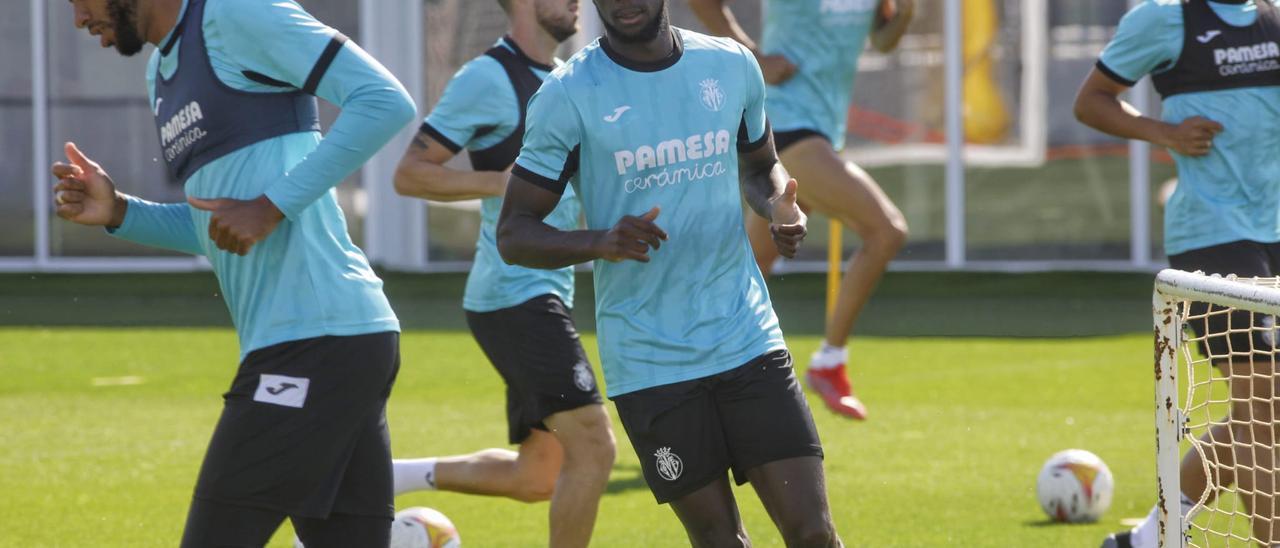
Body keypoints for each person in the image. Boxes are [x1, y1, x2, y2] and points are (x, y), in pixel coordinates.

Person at [54, 0, 416, 546]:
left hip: (316, 340)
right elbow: (221, 225)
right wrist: (121, 212)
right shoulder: (162, 71)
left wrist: (272, 204)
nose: (78, 20)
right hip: (329, 342)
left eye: (78, 1)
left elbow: (385, 101)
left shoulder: (237, 12)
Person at [496, 0, 841, 544]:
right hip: (650, 363)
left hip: (746, 337)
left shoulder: (730, 66)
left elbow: (759, 167)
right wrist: (600, 241)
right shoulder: (567, 96)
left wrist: (778, 205)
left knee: (814, 534)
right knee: (720, 541)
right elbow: (513, 233)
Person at [389, 1, 615, 546]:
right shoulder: (488, 77)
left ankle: (382, 475)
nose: (576, 3)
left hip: (542, 291)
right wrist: (502, 184)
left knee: (538, 475)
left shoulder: (565, 79)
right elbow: (410, 174)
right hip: (515, 294)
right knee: (594, 446)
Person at [1074, 0, 1280, 545]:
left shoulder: (1274, 18)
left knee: (1269, 406)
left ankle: (1149, 537)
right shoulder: (1164, 19)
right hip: (1211, 234)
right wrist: (1165, 134)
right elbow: (1091, 101)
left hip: (1276, 229)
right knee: (1261, 401)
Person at [688, 0, 914, 421]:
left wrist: (906, 12)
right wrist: (754, 56)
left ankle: (695, 375)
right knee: (886, 230)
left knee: (746, 271)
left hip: (820, 130)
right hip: (783, 126)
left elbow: (882, 42)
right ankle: (830, 361)